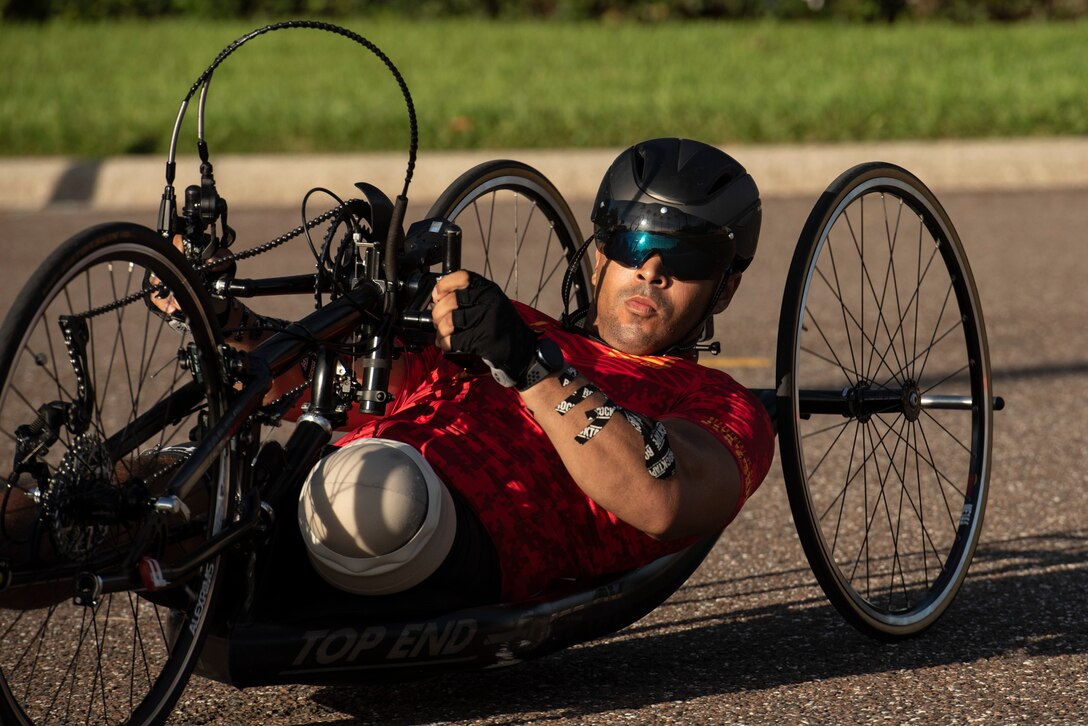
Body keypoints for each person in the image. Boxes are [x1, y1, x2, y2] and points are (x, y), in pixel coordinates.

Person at [164, 137, 776, 607]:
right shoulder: (512, 322)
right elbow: (325, 382)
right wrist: (221, 318)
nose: (652, 271)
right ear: (598, 260)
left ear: (723, 290)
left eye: (687, 256)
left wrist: (528, 364)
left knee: (371, 487)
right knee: (137, 491)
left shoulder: (720, 406)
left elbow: (661, 501)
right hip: (311, 491)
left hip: (429, 531)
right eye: (636, 244)